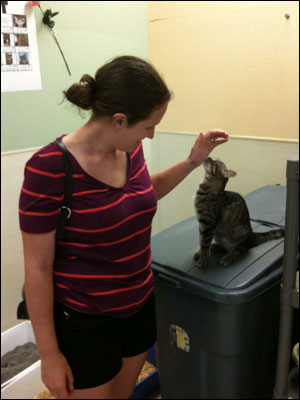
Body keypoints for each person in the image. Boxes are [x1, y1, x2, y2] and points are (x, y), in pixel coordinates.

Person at [19, 55, 228, 399]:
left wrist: (193, 161)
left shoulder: (129, 152)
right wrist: (49, 355)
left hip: (138, 305)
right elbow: (37, 268)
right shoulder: (49, 168)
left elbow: (142, 195)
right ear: (119, 120)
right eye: (148, 126)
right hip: (85, 320)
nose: (151, 135)